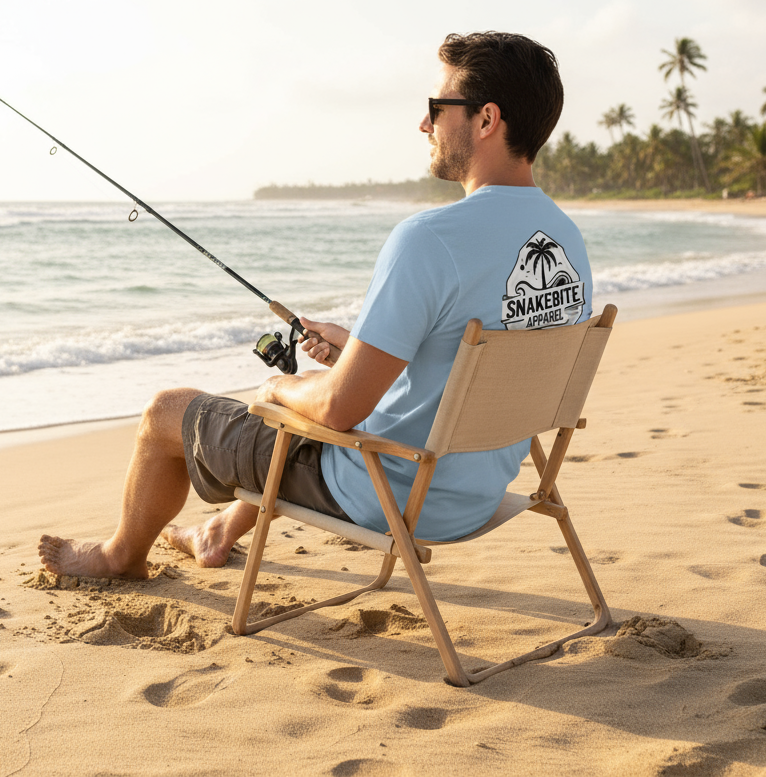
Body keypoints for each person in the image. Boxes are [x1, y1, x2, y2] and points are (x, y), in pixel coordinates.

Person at [38, 31, 592, 580]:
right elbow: (462, 368)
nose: (424, 124)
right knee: (319, 404)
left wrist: (277, 389)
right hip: (477, 491)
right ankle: (216, 532)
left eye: (436, 108)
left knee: (170, 411)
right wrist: (356, 350)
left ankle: (118, 558)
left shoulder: (429, 239)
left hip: (388, 493)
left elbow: (337, 413)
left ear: (486, 119)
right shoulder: (568, 241)